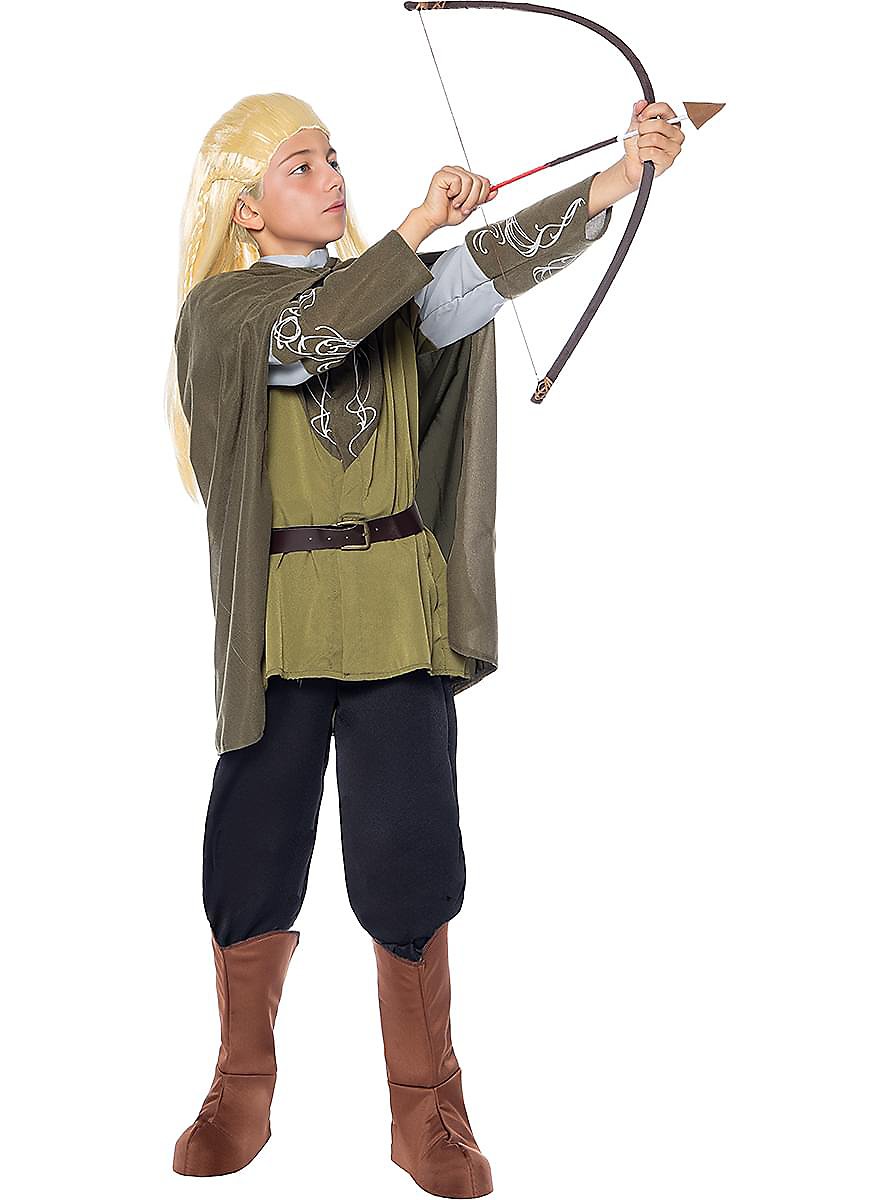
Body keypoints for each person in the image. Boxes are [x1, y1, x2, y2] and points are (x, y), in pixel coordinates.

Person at [166, 91, 683, 1196]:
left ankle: (424, 1104)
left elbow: (484, 268)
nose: (331, 178)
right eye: (300, 167)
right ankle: (240, 1081)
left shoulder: (392, 288)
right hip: (284, 619)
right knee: (252, 848)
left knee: (409, 850)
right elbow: (310, 340)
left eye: (332, 158)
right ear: (245, 210)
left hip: (396, 607)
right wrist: (412, 230)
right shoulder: (225, 312)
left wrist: (616, 179)